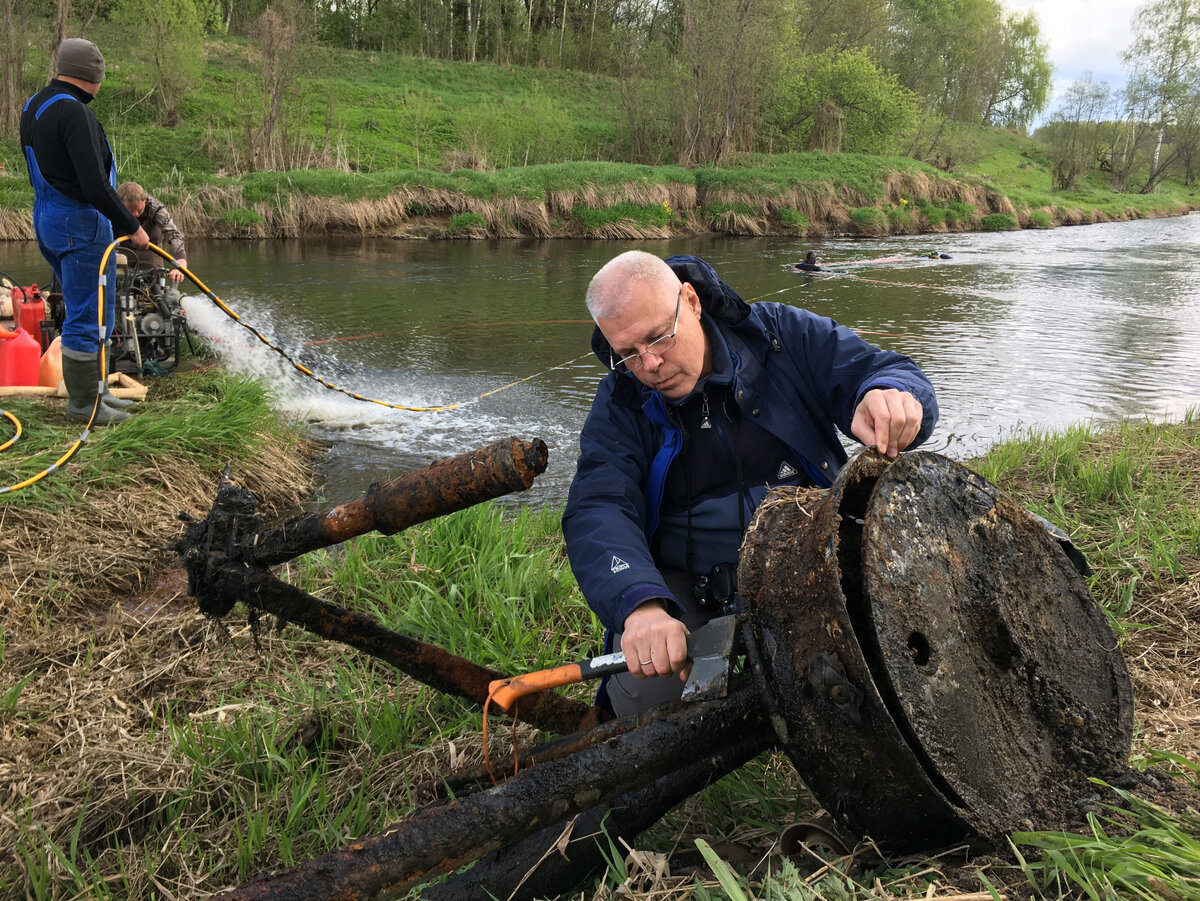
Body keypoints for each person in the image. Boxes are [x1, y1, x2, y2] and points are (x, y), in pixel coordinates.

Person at [562, 252, 938, 716]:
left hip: (808, 562)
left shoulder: (781, 335)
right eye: (629, 353)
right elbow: (598, 506)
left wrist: (892, 396)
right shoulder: (620, 402)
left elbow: (884, 369)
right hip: (687, 587)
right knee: (644, 698)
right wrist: (640, 605)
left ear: (691, 300)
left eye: (659, 336)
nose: (652, 363)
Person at [21, 38, 149, 425]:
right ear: (93, 76)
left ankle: (99, 394)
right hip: (80, 223)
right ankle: (85, 406)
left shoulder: (34, 106)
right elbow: (95, 186)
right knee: (88, 317)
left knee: (86, 311)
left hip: (47, 218)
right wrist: (133, 227)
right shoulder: (74, 113)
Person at [117, 182, 188, 284]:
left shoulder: (155, 207)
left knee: (155, 284)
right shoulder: (112, 207)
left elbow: (173, 233)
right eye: (130, 211)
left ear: (144, 201)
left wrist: (180, 261)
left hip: (151, 250)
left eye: (139, 210)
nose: (135, 215)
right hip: (121, 251)